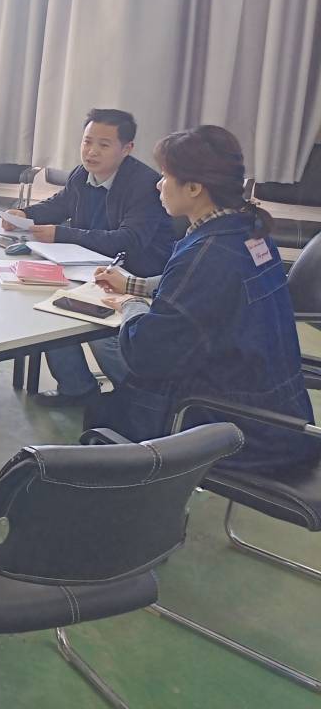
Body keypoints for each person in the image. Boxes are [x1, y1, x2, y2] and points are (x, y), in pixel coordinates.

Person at [90, 126, 320, 473]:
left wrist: (129, 305)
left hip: (235, 430)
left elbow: (144, 355)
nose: (158, 185)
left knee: (102, 410)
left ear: (194, 188)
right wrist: (133, 285)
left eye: (165, 176)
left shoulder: (206, 253)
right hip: (282, 416)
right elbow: (211, 290)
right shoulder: (250, 231)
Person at [4, 109, 175, 407]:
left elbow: (129, 240)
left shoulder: (143, 185)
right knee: (47, 306)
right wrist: (24, 214)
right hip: (89, 270)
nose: (91, 151)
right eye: (87, 142)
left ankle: (138, 400)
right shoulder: (82, 174)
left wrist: (63, 234)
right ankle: (78, 389)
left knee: (98, 332)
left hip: (134, 277)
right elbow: (59, 205)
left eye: (104, 145)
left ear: (127, 148)